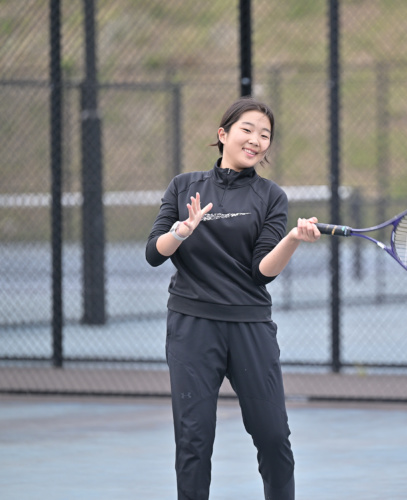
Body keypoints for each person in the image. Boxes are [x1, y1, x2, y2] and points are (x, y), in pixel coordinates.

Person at [146, 97, 320, 500]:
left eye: (265, 135)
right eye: (248, 130)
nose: (256, 140)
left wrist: (292, 239)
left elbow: (262, 273)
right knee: (193, 441)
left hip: (250, 328)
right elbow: (154, 253)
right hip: (192, 328)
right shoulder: (183, 187)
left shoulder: (271, 196)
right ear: (223, 134)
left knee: (274, 438)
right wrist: (182, 231)